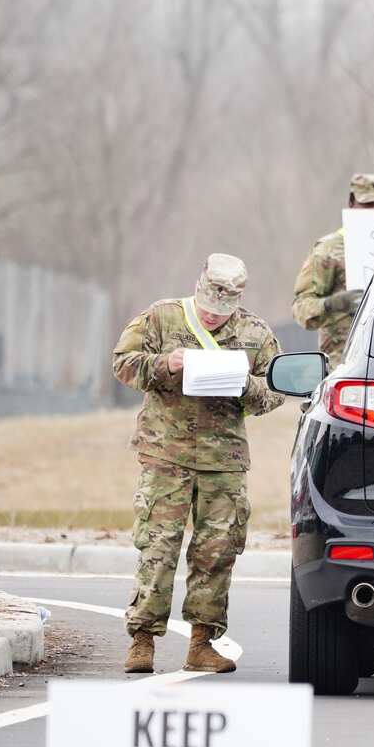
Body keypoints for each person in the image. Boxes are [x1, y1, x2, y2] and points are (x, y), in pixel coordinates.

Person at [112, 254, 284, 673]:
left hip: (223, 461)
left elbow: (275, 391)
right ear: (198, 288)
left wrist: (244, 386)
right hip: (165, 455)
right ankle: (142, 641)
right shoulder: (162, 317)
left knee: (217, 552)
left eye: (221, 311)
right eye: (207, 307)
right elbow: (123, 364)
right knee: (158, 547)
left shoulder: (256, 333)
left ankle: (201, 644)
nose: (211, 316)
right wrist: (164, 363)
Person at [292, 172, 374, 366]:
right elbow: (301, 309)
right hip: (345, 362)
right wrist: (334, 303)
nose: (373, 211)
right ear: (352, 203)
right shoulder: (329, 250)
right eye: (367, 205)